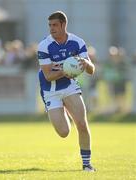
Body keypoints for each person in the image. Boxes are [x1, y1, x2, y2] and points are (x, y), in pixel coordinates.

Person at [37, 11, 96, 172]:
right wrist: (68, 68)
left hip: (70, 87)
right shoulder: (44, 45)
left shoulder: (77, 42)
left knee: (82, 124)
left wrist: (84, 62)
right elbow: (48, 76)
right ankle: (61, 109)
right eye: (50, 25)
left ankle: (87, 164)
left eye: (55, 25)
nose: (51, 28)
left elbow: (91, 70)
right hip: (50, 90)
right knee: (64, 132)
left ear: (63, 25)